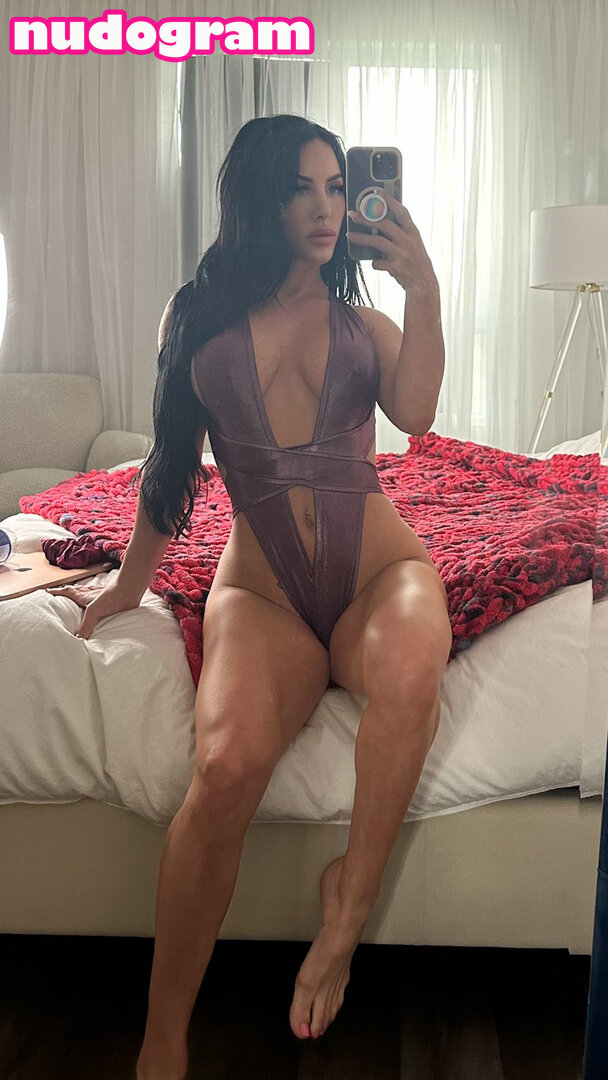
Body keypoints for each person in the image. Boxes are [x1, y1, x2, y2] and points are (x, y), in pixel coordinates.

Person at [47, 114, 453, 1080]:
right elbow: (169, 463)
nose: (325, 207)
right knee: (225, 767)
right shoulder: (195, 320)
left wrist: (425, 288)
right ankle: (163, 1040)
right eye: (301, 187)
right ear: (258, 198)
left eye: (335, 186)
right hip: (263, 596)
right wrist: (130, 585)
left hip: (378, 574)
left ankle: (347, 912)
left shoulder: (364, 323)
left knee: (410, 667)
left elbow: (418, 412)